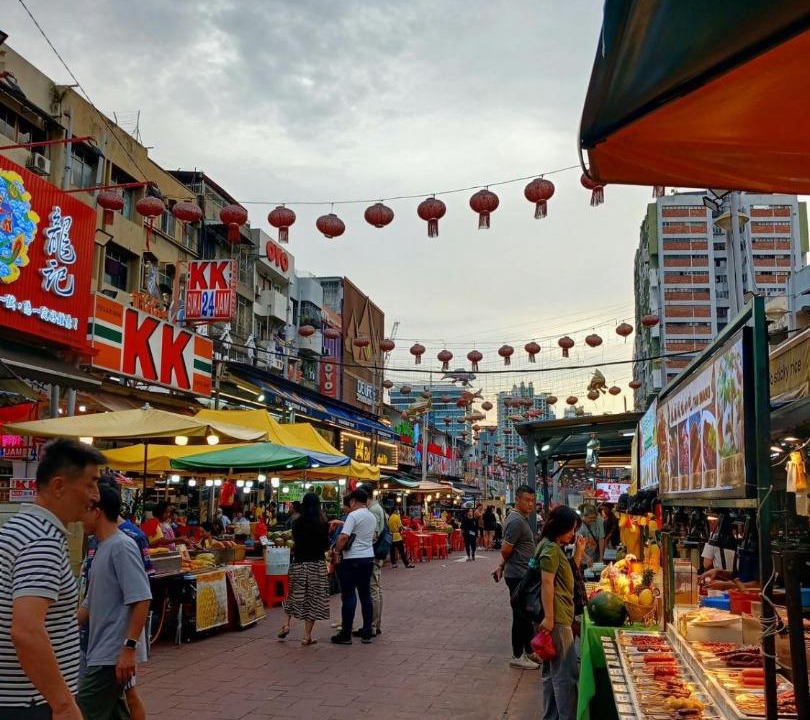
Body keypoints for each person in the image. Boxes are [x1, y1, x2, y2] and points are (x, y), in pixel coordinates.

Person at [0, 439, 103, 720]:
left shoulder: (20, 527)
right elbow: (26, 630)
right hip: (30, 702)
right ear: (58, 486)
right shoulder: (41, 541)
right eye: (90, 484)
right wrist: (63, 704)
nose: (95, 496)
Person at [77, 481, 152, 720]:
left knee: (79, 712)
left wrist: (129, 648)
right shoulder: (101, 547)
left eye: (85, 509)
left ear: (97, 511)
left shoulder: (122, 546)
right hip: (100, 652)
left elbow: (141, 598)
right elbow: (90, 603)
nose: (80, 517)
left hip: (110, 656)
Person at [537, 506, 580, 720]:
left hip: (557, 617)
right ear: (560, 527)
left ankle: (551, 716)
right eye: (571, 529)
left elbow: (561, 578)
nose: (573, 534)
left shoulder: (549, 545)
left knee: (551, 674)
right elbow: (547, 582)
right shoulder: (551, 549)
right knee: (565, 675)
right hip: (558, 619)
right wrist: (550, 617)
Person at [493, 484, 539, 670]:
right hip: (518, 576)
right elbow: (506, 549)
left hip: (523, 573)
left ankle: (528, 651)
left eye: (532, 501)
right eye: (527, 500)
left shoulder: (521, 519)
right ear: (517, 499)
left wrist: (501, 566)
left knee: (526, 615)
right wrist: (504, 565)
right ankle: (518, 655)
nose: (530, 504)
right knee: (520, 616)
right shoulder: (516, 521)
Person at [278, 492, 331, 646]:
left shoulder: (296, 523)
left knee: (294, 594)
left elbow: (295, 542)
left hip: (299, 563)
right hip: (317, 564)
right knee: (313, 600)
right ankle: (306, 636)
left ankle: (286, 624)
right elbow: (326, 545)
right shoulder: (322, 523)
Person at [330, 489, 376, 645]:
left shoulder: (353, 515)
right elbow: (365, 532)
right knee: (365, 595)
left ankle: (346, 634)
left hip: (352, 559)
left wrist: (336, 551)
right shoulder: (371, 516)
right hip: (368, 558)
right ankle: (367, 632)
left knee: (349, 595)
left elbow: (344, 537)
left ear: (354, 501)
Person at [359, 483, 386, 638]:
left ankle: (373, 624)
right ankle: (376, 622)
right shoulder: (377, 508)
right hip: (376, 554)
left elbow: (374, 535)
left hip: (373, 554)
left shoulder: (374, 510)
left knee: (373, 588)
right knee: (376, 588)